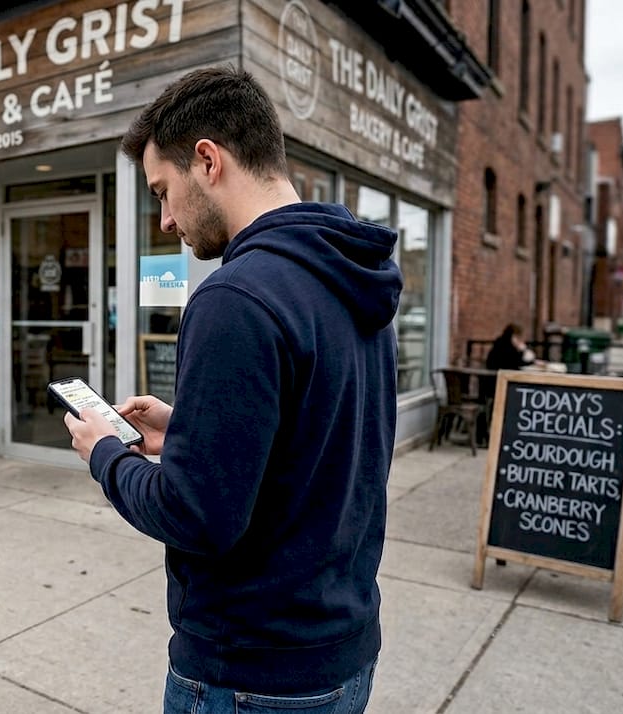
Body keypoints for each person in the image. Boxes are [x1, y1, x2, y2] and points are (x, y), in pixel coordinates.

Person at [61, 67, 399, 713]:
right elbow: (317, 437)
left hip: (249, 673)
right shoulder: (355, 273)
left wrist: (107, 454)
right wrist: (192, 426)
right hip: (342, 652)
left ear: (208, 160)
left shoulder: (235, 297)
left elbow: (196, 516)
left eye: (163, 191)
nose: (163, 220)